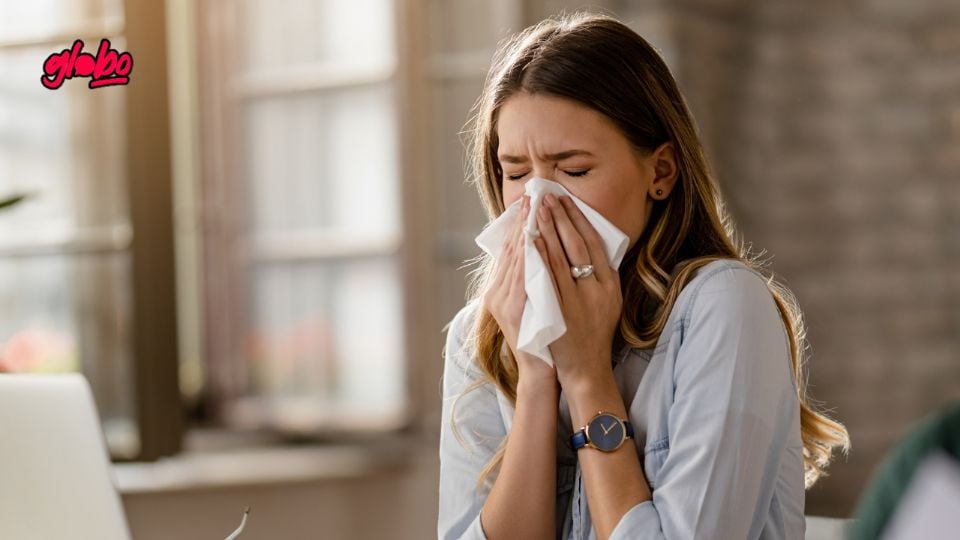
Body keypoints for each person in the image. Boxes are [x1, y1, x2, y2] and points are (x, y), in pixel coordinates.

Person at [437, 10, 850, 540]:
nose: (538, 202)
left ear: (659, 172)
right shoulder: (483, 336)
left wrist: (586, 375)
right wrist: (538, 375)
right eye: (515, 172)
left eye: (574, 170)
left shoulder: (722, 308)